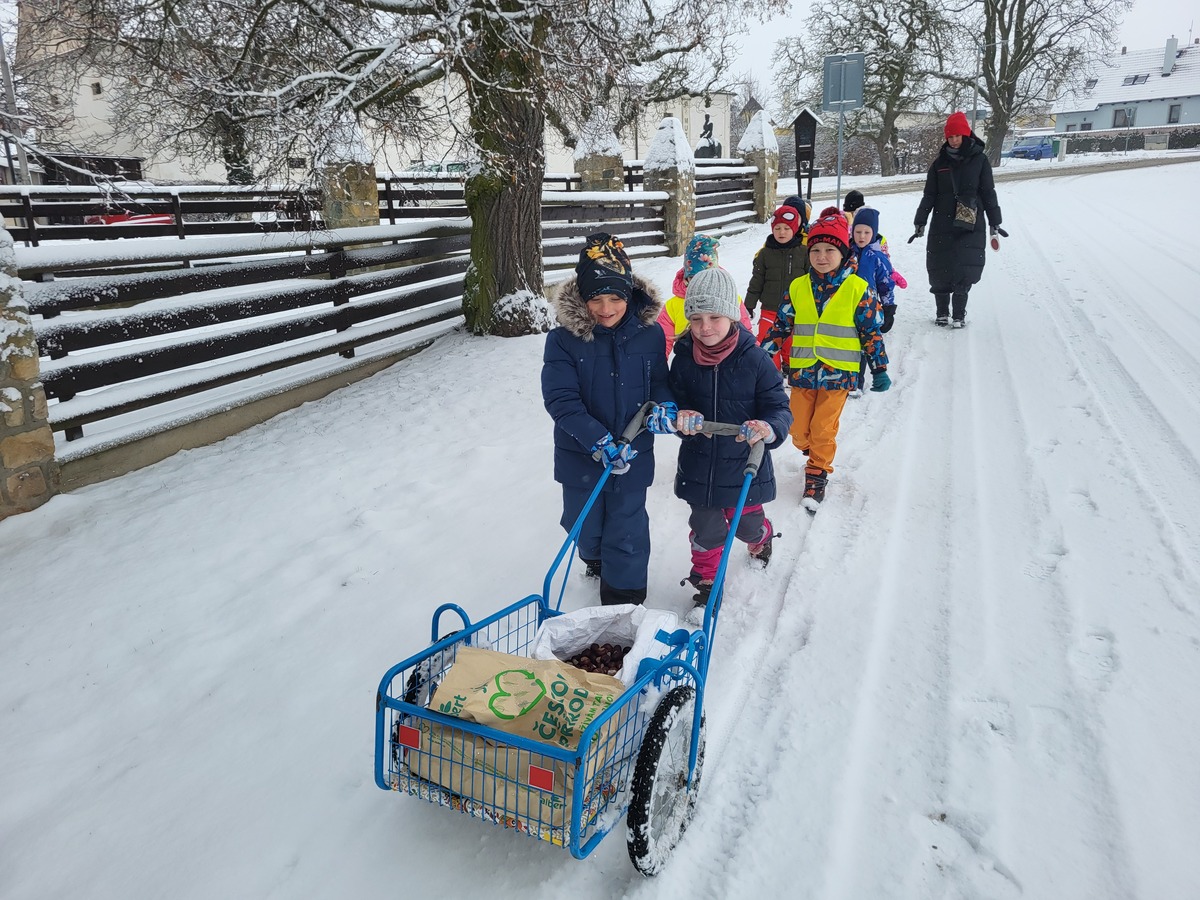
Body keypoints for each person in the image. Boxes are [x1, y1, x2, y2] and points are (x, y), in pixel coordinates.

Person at [542, 232, 675, 605]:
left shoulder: (650, 335)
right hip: (580, 454)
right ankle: (594, 557)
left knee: (627, 528)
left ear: (629, 295)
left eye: (615, 298)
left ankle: (623, 600)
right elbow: (561, 399)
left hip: (634, 452)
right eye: (596, 298)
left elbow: (659, 383)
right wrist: (597, 440)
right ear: (582, 298)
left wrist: (664, 407)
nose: (606, 308)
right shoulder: (564, 340)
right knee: (583, 525)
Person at [660, 266, 792, 606]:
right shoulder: (684, 359)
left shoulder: (755, 359)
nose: (705, 327)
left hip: (743, 464)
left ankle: (761, 536)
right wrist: (680, 414)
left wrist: (768, 427)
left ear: (732, 316)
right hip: (700, 465)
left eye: (714, 317)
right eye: (696, 318)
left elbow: (779, 407)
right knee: (706, 530)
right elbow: (675, 398)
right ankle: (707, 582)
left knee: (746, 525)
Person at [761, 208, 891, 512]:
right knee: (796, 429)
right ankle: (814, 451)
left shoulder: (858, 288)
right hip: (803, 370)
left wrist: (879, 368)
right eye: (815, 250)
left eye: (829, 250)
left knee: (823, 429)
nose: (821, 256)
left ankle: (817, 475)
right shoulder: (797, 287)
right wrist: (761, 355)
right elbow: (781, 326)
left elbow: (871, 332)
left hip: (839, 373)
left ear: (843, 253)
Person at [911, 111, 1003, 328]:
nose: (953, 140)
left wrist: (995, 221)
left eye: (957, 136)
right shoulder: (939, 163)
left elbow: (988, 192)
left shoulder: (979, 160)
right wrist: (920, 220)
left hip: (969, 222)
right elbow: (929, 195)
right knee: (939, 266)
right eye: (950, 136)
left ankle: (959, 315)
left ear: (966, 135)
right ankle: (942, 313)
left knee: (964, 267)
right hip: (942, 222)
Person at [658, 233, 752, 356]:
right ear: (686, 278)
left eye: (706, 277)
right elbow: (661, 343)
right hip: (690, 361)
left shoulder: (731, 299)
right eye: (694, 278)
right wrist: (657, 365)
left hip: (728, 361)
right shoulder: (672, 306)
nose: (701, 284)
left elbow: (746, 334)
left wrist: (753, 358)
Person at [744, 204, 810, 375]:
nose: (782, 232)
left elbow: (810, 281)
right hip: (770, 308)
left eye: (787, 228)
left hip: (795, 309)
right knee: (767, 341)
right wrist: (749, 304)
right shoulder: (765, 254)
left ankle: (789, 364)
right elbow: (757, 280)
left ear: (795, 229)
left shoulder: (804, 253)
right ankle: (772, 372)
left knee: (790, 341)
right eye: (778, 228)